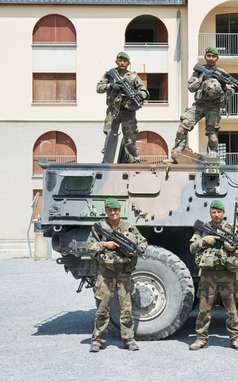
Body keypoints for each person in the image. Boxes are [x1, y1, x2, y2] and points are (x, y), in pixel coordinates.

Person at [86, 198, 148, 352]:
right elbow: (88, 246)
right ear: (106, 211)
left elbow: (143, 243)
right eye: (110, 210)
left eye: (116, 210)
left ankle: (128, 339)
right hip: (106, 272)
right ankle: (98, 340)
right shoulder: (99, 227)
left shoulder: (129, 227)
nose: (113, 213)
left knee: (126, 308)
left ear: (120, 211)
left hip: (123, 271)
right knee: (102, 307)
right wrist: (104, 245)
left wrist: (135, 249)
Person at [188, 200, 238, 351]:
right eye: (214, 212)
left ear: (223, 213)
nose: (216, 215)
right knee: (204, 309)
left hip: (227, 274)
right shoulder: (203, 229)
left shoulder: (232, 229)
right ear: (210, 212)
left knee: (231, 309)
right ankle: (201, 338)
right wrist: (203, 241)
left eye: (219, 212)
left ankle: (235, 338)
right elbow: (192, 248)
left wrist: (232, 247)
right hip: (208, 275)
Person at [172, 47, 235, 158]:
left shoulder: (222, 73)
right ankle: (177, 153)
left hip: (214, 107)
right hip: (199, 104)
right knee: (183, 127)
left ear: (217, 58)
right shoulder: (199, 70)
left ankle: (212, 155)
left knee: (213, 135)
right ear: (205, 57)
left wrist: (224, 86)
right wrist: (201, 78)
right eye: (208, 55)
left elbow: (231, 91)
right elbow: (191, 88)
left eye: (213, 56)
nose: (211, 58)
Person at [96, 52, 149, 163]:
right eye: (120, 60)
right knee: (110, 136)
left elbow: (144, 91)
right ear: (116, 61)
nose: (122, 63)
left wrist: (139, 95)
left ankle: (134, 161)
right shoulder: (110, 74)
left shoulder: (133, 76)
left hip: (128, 111)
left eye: (124, 61)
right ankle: (107, 161)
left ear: (128, 63)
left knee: (130, 138)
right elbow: (99, 88)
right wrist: (111, 86)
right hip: (113, 110)